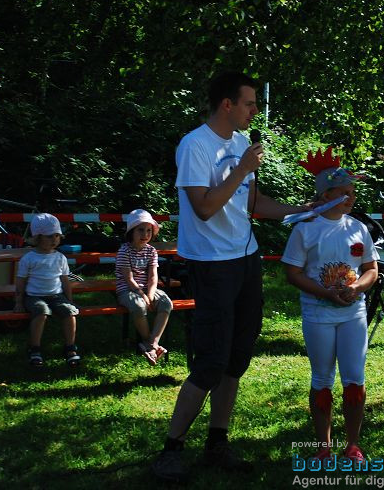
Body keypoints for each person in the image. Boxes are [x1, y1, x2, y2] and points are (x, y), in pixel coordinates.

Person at [152, 71, 308, 483]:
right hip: (211, 264)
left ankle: (217, 443)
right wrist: (240, 169)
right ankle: (171, 449)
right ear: (227, 104)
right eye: (250, 103)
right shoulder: (195, 145)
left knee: (236, 359)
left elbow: (253, 203)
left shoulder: (240, 144)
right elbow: (204, 207)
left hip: (246, 260)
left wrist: (305, 207)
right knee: (210, 361)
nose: (255, 110)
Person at [282, 147, 379, 464]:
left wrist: (356, 287)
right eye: (342, 192)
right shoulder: (305, 229)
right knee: (322, 379)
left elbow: (371, 269)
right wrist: (325, 293)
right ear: (324, 195)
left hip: (354, 315)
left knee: (355, 378)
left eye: (352, 192)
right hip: (318, 316)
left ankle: (352, 444)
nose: (350, 197)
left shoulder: (358, 228)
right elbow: (292, 272)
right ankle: (323, 445)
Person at [13, 213, 81, 367]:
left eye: (57, 236)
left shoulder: (60, 258)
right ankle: (34, 349)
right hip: (34, 296)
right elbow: (21, 280)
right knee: (41, 311)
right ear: (37, 237)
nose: (54, 240)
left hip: (56, 295)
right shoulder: (29, 258)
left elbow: (65, 280)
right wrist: (18, 301)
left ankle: (70, 348)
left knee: (69, 312)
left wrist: (70, 300)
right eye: (50, 236)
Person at [116, 208, 172, 365]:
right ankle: (149, 343)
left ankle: (152, 343)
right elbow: (128, 279)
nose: (145, 234)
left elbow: (153, 276)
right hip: (127, 290)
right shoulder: (124, 251)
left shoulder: (151, 251)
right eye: (141, 230)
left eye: (149, 231)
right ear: (131, 231)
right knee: (138, 306)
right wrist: (142, 294)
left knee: (166, 303)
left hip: (147, 289)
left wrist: (151, 293)